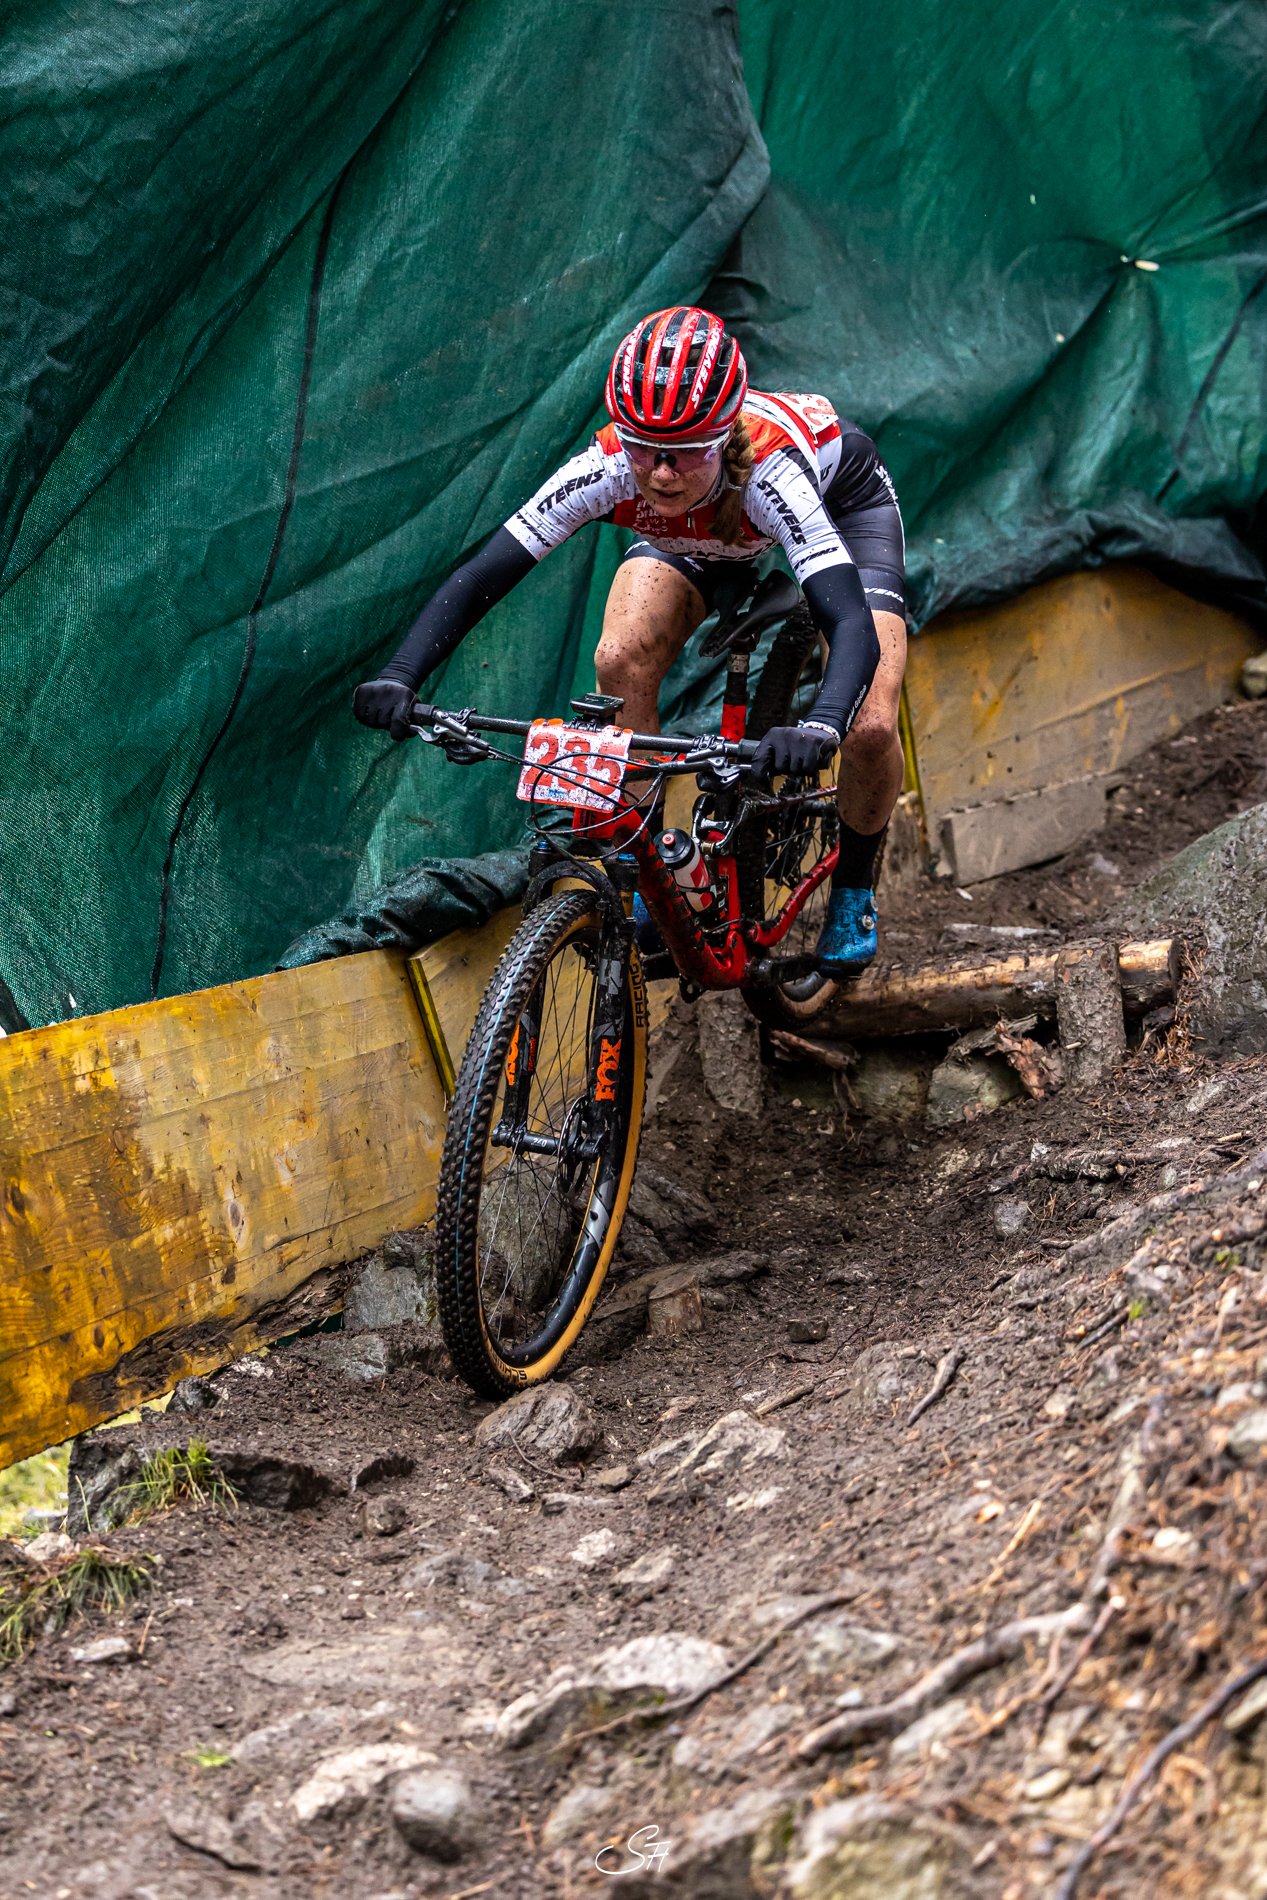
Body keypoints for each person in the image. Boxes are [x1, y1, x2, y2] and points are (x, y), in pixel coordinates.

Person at [353, 306, 907, 975]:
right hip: (698, 530)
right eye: (643, 447)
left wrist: (821, 725)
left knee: (868, 723)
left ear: (722, 436)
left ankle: (854, 891)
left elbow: (849, 622)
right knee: (619, 658)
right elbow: (480, 578)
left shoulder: (771, 472)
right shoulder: (609, 466)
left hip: (839, 510)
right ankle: (650, 870)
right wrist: (401, 675)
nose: (661, 473)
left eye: (684, 451)